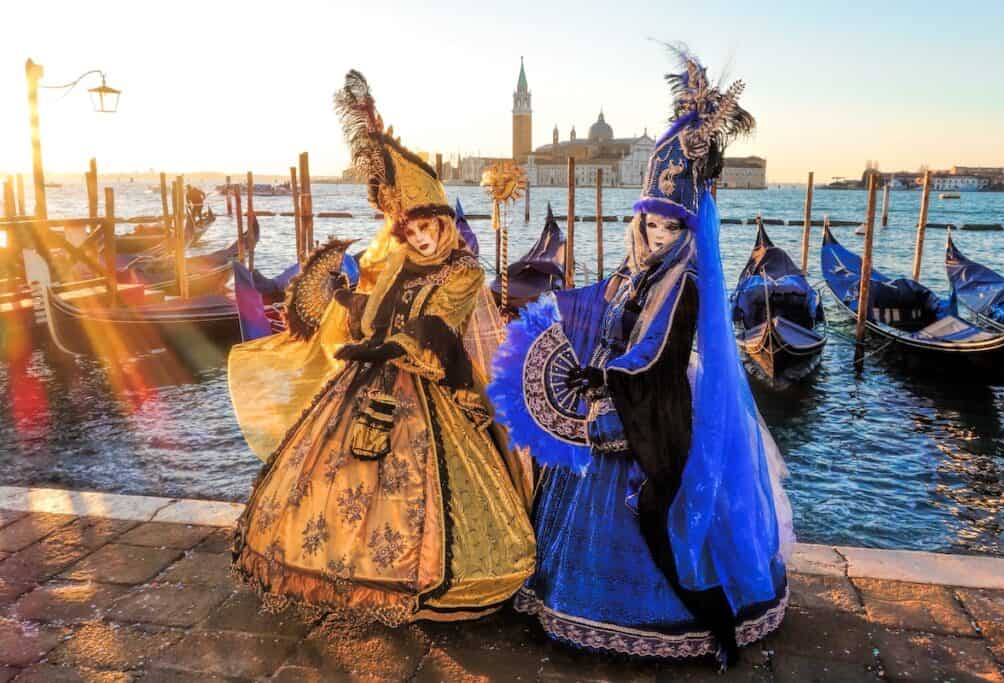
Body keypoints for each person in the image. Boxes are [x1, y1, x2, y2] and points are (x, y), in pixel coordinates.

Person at [487, 48, 792, 669]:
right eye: (651, 225)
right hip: (616, 401)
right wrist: (549, 312)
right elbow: (601, 303)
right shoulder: (636, 270)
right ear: (641, 223)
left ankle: (717, 626)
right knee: (568, 490)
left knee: (659, 518)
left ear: (687, 232)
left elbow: (658, 350)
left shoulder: (687, 285)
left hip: (656, 412)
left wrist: (603, 373)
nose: (658, 238)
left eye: (671, 230)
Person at [231, 70, 535, 626]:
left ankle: (435, 583)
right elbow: (375, 316)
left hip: (431, 383)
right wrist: (350, 304)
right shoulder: (397, 263)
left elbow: (439, 330)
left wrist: (384, 350)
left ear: (445, 224)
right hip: (369, 381)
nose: (422, 240)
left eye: (429, 229)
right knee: (345, 480)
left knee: (422, 487)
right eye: (412, 232)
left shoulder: (463, 273)